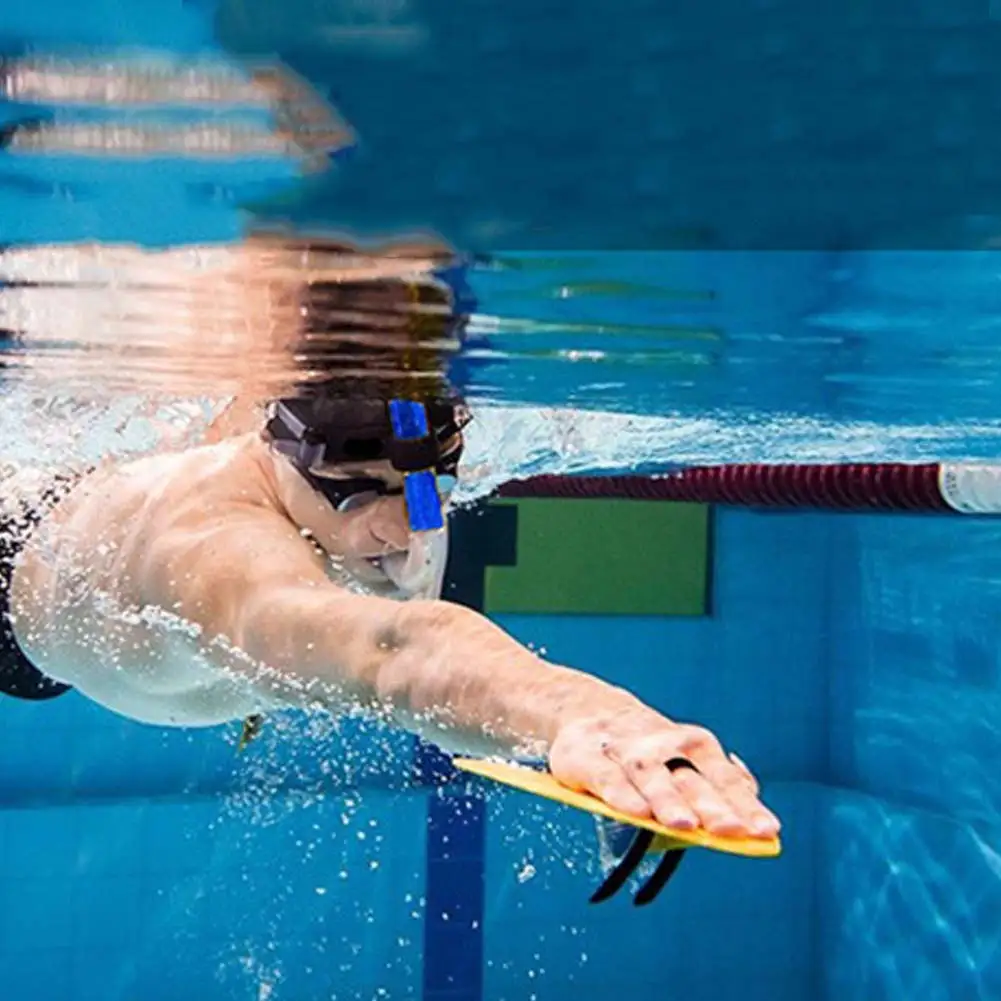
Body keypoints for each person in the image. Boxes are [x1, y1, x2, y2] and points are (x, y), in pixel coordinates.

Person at [0, 239, 781, 843]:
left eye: (424, 486)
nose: (402, 524)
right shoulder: (213, 547)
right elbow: (394, 651)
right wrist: (587, 717)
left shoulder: (353, 481)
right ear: (291, 464)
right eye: (358, 490)